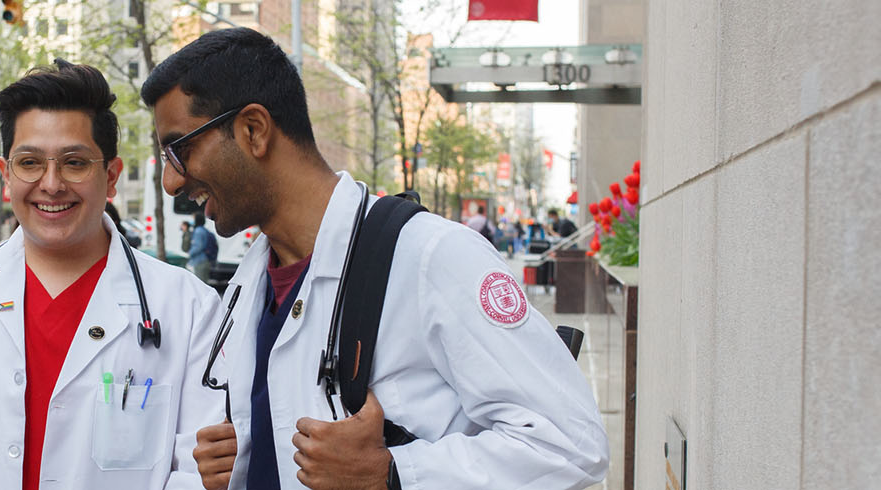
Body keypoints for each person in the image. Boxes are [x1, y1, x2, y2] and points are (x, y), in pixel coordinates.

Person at [143, 28, 608, 489]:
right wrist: (240, 461)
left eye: (179, 150)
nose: (171, 181)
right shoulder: (248, 285)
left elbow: (570, 444)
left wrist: (391, 473)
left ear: (253, 130)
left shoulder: (432, 257)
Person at [0, 59, 222, 490]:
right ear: (6, 175)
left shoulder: (189, 309)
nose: (51, 184)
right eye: (30, 163)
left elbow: (198, 472)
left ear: (110, 177)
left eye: (74, 163)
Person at [187, 214, 218, 283]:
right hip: (205, 260)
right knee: (204, 282)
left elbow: (198, 246)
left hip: (199, 261)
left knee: (199, 283)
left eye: (193, 218)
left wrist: (189, 253)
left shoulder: (198, 231)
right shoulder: (204, 230)